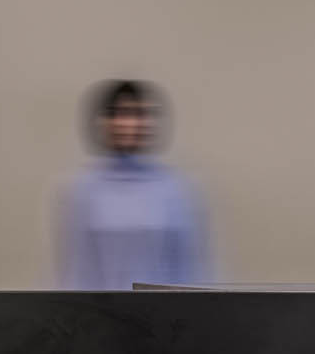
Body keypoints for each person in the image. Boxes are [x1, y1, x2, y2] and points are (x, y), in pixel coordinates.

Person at [59, 79, 210, 290]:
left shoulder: (174, 190)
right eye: (119, 114)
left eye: (136, 114)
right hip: (98, 314)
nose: (127, 123)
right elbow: (75, 271)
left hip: (163, 314)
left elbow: (190, 268)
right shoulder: (84, 190)